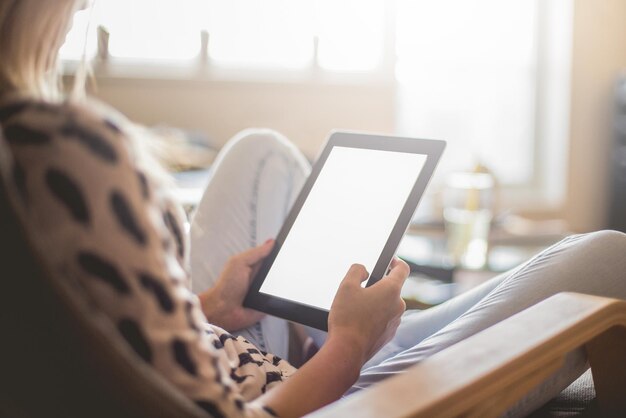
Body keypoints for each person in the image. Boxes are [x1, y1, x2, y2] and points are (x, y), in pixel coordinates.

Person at [1, 1, 625, 417]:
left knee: (262, 154)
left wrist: (214, 306)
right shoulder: (60, 150)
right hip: (319, 399)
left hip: (231, 347)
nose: (80, 6)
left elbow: (113, 335)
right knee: (608, 257)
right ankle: (345, 336)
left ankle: (322, 327)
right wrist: (346, 350)